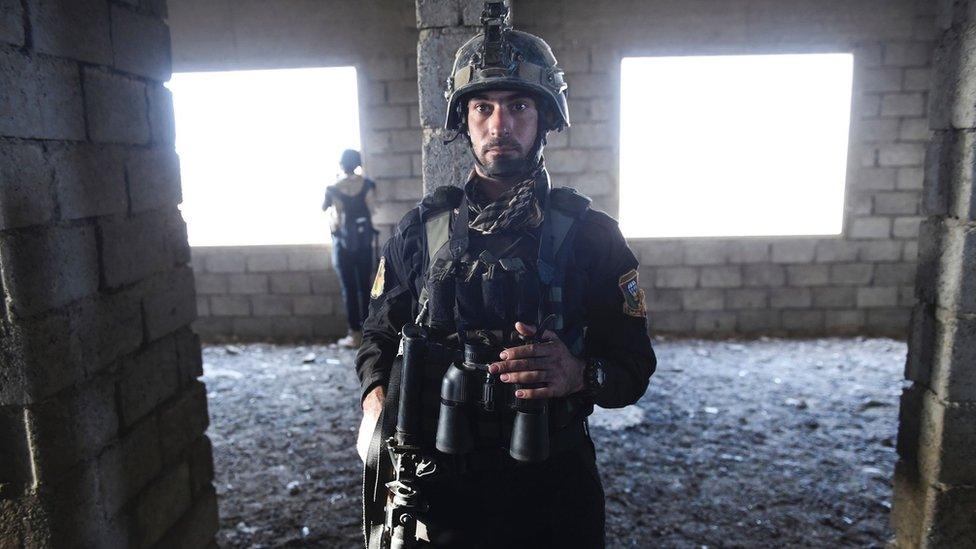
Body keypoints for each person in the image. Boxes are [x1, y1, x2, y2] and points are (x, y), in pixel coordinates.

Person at [356, 3, 655, 547]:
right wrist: (380, 412)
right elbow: (378, 334)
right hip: (442, 488)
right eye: (483, 108)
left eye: (519, 106)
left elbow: (634, 366)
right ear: (463, 122)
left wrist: (577, 375)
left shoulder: (592, 236)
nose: (500, 125)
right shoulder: (421, 232)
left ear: (545, 119)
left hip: (552, 483)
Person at [323, 149, 377, 348]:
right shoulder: (368, 185)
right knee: (366, 287)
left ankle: (354, 335)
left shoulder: (334, 188)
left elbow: (329, 213)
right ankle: (369, 333)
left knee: (349, 290)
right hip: (364, 244)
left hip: (343, 245)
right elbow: (374, 209)